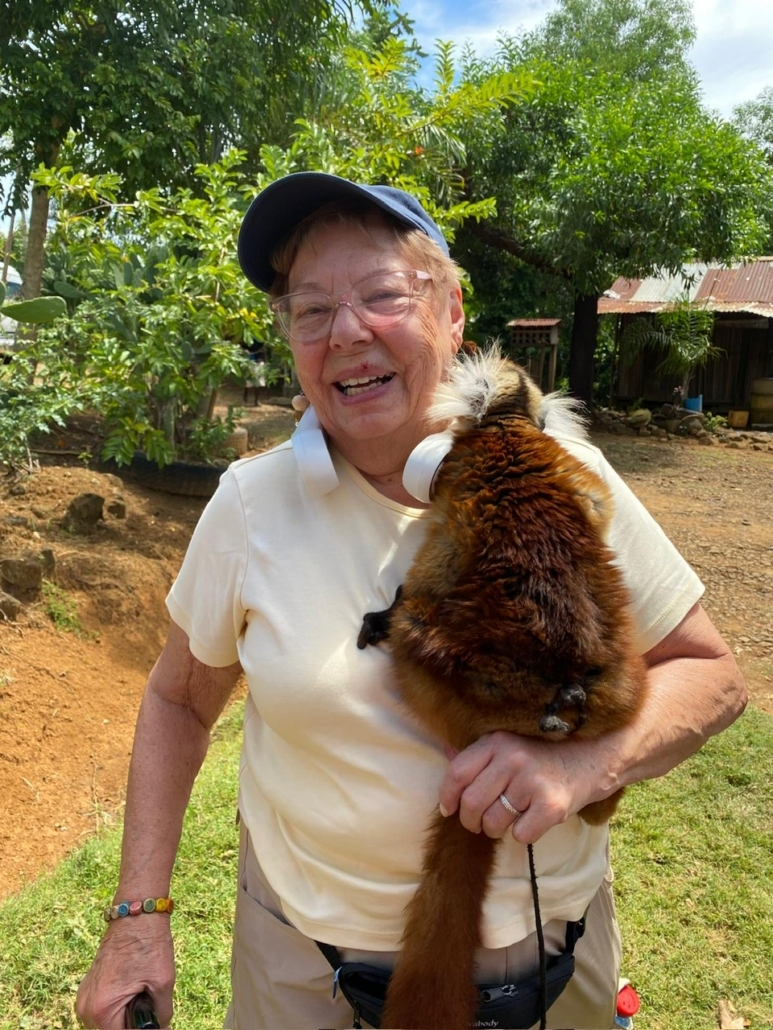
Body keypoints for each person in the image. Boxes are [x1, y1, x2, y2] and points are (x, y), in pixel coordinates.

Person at [76, 172, 747, 1030]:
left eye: (380, 295)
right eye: (309, 311)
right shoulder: (250, 504)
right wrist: (137, 920)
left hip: (551, 959)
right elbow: (177, 699)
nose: (346, 332)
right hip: (301, 966)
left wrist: (583, 766)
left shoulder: (560, 480)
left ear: (453, 314)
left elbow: (711, 675)